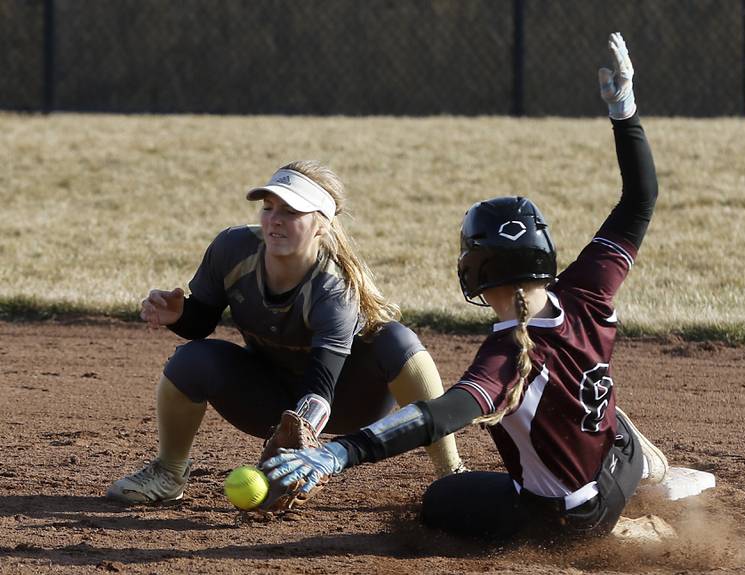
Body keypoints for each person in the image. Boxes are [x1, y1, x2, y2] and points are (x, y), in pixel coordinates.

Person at [263, 33, 669, 542]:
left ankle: (621, 532)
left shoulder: (507, 356)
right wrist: (624, 109)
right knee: (597, 419)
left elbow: (435, 416)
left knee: (440, 501)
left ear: (474, 271)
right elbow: (640, 199)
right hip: (611, 471)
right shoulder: (588, 291)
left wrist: (340, 451)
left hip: (562, 524)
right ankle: (640, 467)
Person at [106, 159, 466, 509]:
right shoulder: (232, 250)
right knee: (192, 361)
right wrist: (179, 314)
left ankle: (452, 474)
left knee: (396, 340)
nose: (275, 219)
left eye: (292, 212)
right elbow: (201, 324)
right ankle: (168, 474)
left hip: (348, 400)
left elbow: (320, 389)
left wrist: (297, 449)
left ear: (321, 225)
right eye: (268, 207)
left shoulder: (333, 289)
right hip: (269, 396)